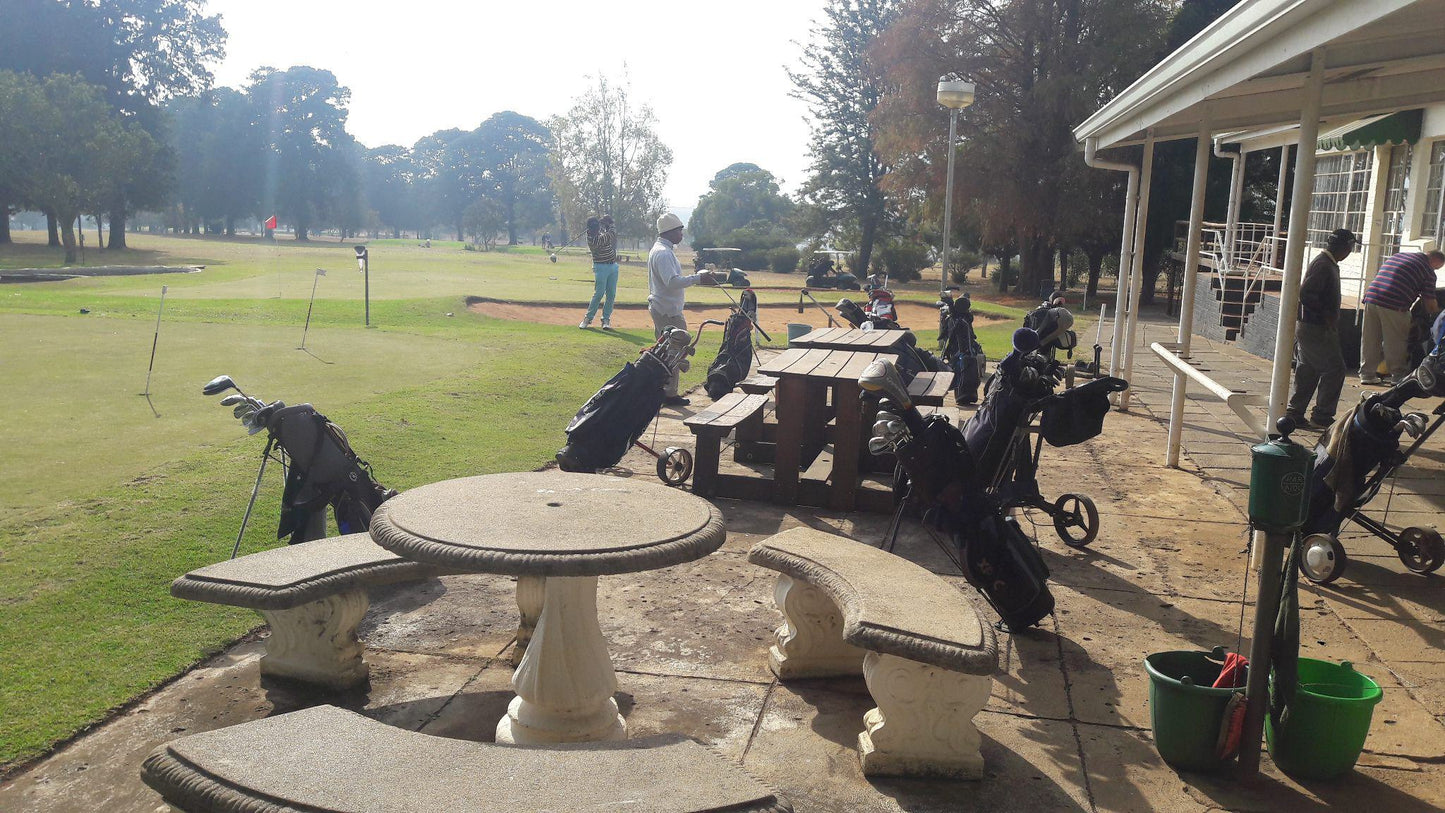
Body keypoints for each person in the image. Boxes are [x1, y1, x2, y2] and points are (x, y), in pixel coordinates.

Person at [1286, 228, 1354, 429]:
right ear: (1346, 247)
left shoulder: (1327, 263)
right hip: (1315, 327)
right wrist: (1326, 314)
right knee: (1335, 369)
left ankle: (1295, 412)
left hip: (1311, 326)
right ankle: (1322, 415)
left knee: (1308, 370)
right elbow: (1306, 294)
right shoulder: (1323, 265)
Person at [648, 212, 713, 406]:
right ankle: (669, 393)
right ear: (669, 231)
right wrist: (698, 279)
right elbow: (672, 282)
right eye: (679, 230)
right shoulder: (663, 253)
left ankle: (663, 389)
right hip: (667, 310)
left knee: (668, 350)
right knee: (674, 351)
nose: (682, 234)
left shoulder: (661, 249)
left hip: (663, 307)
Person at [1359, 247, 1445, 384]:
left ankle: (1367, 375)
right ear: (1435, 261)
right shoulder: (1428, 271)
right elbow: (1430, 304)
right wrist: (1439, 313)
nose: (1435, 270)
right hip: (1394, 304)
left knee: (1370, 339)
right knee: (1396, 341)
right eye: (1437, 268)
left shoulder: (1398, 256)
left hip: (1372, 298)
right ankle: (1398, 376)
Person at [579, 215, 619, 330]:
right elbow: (611, 234)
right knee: (599, 293)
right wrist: (610, 223)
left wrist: (604, 224)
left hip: (613, 266)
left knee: (611, 294)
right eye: (594, 228)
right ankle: (587, 318)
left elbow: (608, 233)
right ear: (589, 229)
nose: (596, 230)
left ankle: (606, 320)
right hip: (600, 267)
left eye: (597, 227)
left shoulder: (598, 233)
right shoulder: (594, 239)